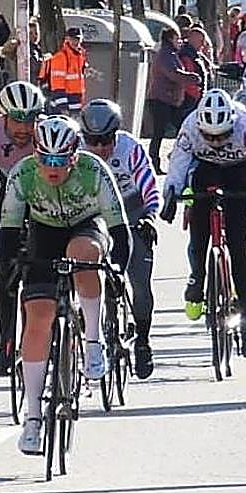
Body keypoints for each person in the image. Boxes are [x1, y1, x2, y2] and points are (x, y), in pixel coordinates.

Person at [0, 115, 129, 454]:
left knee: (81, 254)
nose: (52, 167)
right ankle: (31, 418)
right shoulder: (23, 175)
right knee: (38, 317)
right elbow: (9, 232)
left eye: (60, 160)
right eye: (45, 159)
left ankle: (92, 341)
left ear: (74, 156)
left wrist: (117, 267)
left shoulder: (93, 170)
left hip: (87, 227)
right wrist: (12, 267)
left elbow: (119, 229)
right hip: (43, 234)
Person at [160, 89, 246, 357]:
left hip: (239, 173)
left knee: (238, 245)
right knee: (199, 234)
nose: (216, 141)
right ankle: (198, 276)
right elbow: (178, 164)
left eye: (222, 135)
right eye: (210, 136)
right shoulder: (190, 127)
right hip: (206, 170)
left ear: (232, 124)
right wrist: (171, 194)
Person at [80, 98, 160, 379]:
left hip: (130, 210)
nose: (100, 148)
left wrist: (149, 217)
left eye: (105, 141)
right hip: (93, 213)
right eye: (93, 141)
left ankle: (143, 340)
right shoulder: (75, 150)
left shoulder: (130, 148)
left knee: (139, 279)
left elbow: (150, 187)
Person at [0, 80, 45, 376]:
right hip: (9, 192)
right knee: (6, 268)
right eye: (17, 121)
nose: (24, 129)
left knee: (42, 265)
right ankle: (6, 343)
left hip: (42, 193)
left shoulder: (47, 132)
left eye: (31, 120)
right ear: (4, 116)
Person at [148, 26, 201, 174]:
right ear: (170, 38)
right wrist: (192, 78)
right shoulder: (166, 55)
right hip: (161, 99)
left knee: (180, 128)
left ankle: (180, 158)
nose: (180, 41)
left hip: (169, 100)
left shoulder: (170, 54)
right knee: (159, 132)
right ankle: (154, 163)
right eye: (177, 38)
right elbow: (173, 74)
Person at [38, 26, 89, 113]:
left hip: (75, 102)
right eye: (73, 39)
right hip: (64, 104)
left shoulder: (80, 56)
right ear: (67, 39)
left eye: (77, 39)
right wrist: (63, 108)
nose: (75, 42)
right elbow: (57, 85)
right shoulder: (60, 57)